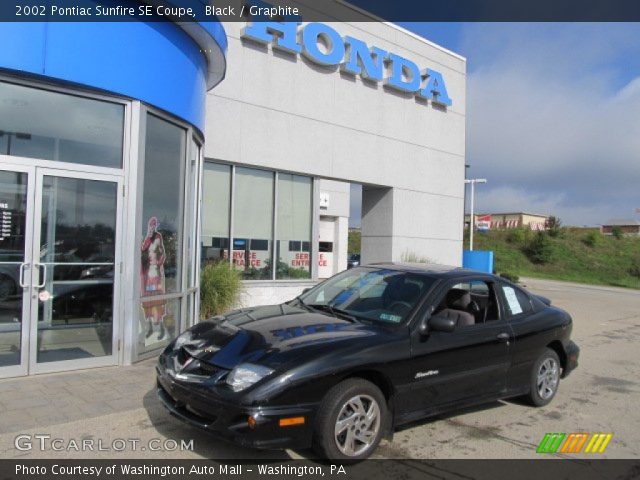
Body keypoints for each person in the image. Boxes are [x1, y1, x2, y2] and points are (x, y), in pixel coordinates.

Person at [140, 216, 167, 340]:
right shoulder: (147, 238)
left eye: (154, 224)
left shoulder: (158, 237)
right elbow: (142, 250)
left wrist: (158, 262)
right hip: (147, 275)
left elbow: (162, 252)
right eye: (151, 224)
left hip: (156, 274)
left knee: (158, 301)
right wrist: (147, 237)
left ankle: (161, 328)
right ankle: (150, 328)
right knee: (148, 302)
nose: (153, 226)